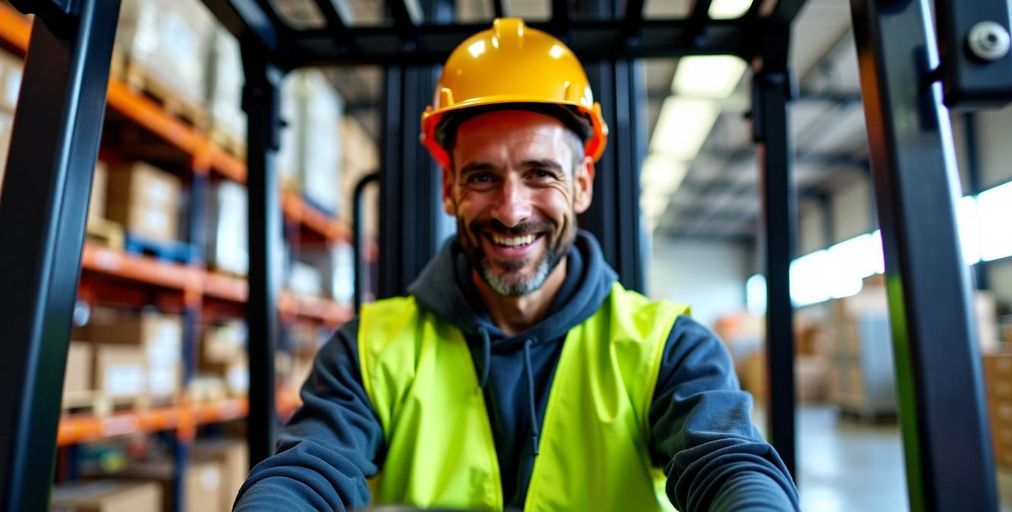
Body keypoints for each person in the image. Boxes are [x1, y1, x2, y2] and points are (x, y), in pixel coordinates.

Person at [234, 18, 799, 512]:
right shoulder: (369, 350)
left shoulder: (668, 347)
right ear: (449, 189)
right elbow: (308, 472)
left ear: (581, 185)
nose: (511, 210)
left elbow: (728, 464)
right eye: (482, 176)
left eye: (540, 174)